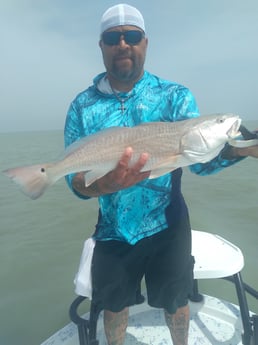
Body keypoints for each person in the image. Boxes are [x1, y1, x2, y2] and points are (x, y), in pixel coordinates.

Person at [64, 4, 258, 345]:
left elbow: (199, 162)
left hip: (169, 225)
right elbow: (75, 181)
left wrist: (243, 149)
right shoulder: (82, 106)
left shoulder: (174, 96)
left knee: (176, 301)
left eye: (132, 36)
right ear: (102, 46)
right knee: (113, 306)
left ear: (145, 42)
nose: (123, 44)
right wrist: (103, 185)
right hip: (113, 231)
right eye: (113, 37)